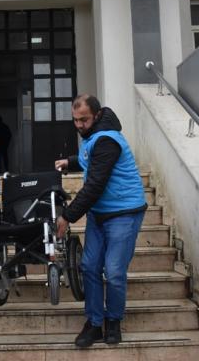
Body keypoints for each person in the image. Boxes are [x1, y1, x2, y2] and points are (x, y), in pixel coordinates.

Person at [54, 94, 147, 348]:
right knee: (89, 266)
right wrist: (70, 161)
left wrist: (67, 216)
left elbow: (94, 185)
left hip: (124, 212)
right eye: (75, 120)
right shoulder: (94, 136)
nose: (79, 125)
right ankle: (94, 323)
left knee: (114, 271)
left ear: (96, 116)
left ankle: (113, 321)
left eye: (84, 120)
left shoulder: (107, 139)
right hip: (99, 213)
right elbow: (90, 159)